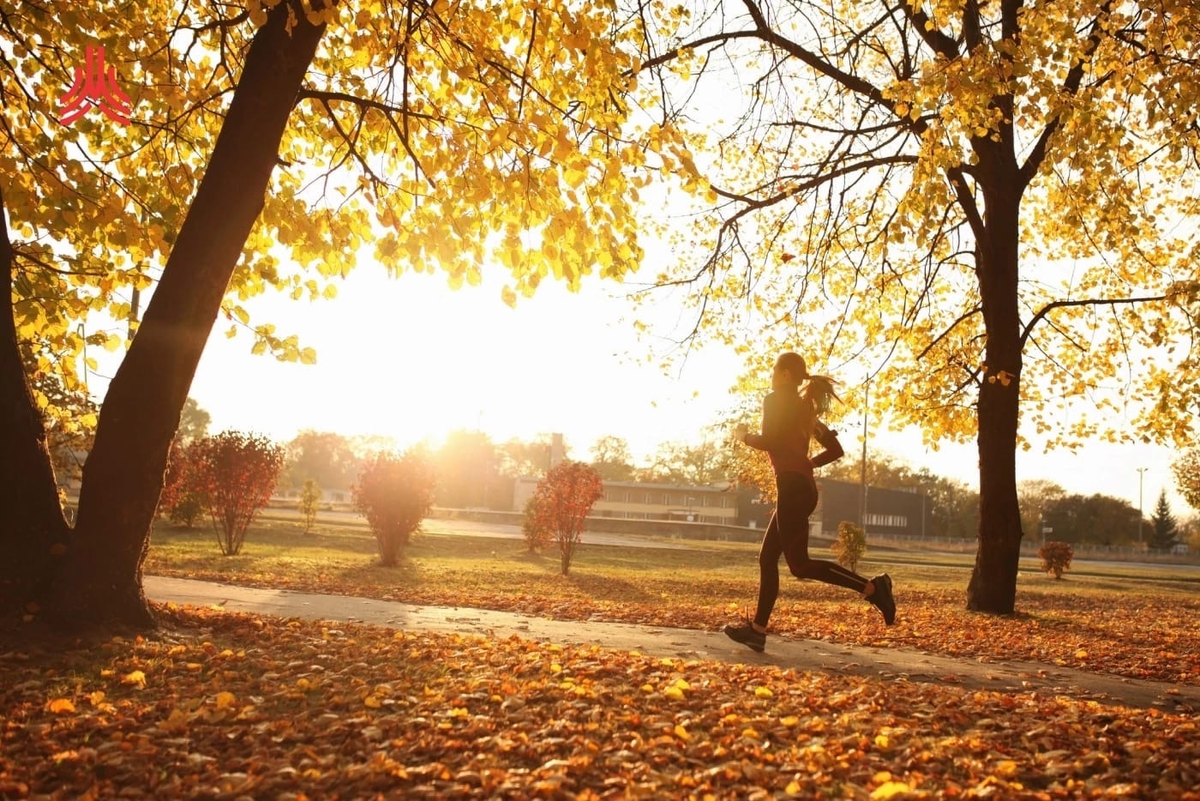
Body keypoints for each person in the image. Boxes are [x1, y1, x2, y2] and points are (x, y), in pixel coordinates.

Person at [724, 351, 896, 653]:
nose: (772, 376)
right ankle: (757, 631)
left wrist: (744, 436)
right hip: (799, 485)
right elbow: (835, 449)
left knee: (799, 565)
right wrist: (808, 465)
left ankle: (873, 588)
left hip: (792, 487)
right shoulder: (806, 410)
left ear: (787, 374)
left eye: (775, 370)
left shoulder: (775, 399)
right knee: (768, 559)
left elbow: (771, 440)